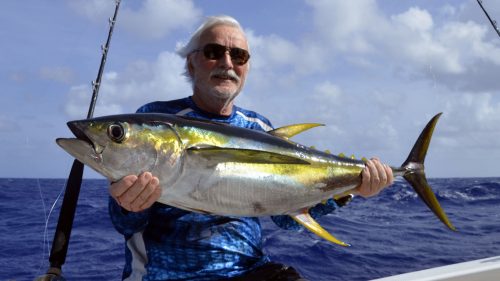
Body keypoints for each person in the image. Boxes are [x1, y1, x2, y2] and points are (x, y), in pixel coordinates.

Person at [108, 15, 394, 281]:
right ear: (191, 63)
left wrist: (350, 191)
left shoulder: (259, 126)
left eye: (239, 56)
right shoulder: (154, 117)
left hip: (250, 271)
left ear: (246, 68)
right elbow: (124, 224)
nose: (227, 62)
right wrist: (129, 206)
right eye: (213, 52)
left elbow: (287, 220)